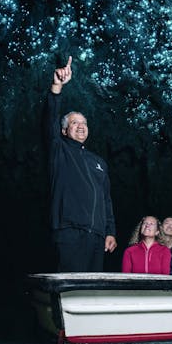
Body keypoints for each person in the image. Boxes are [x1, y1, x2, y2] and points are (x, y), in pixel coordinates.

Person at [43, 56, 117, 272]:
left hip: (96, 236)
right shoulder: (59, 149)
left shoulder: (99, 162)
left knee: (91, 289)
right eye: (74, 123)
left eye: (84, 123)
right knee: (70, 286)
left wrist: (109, 231)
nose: (81, 126)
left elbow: (106, 200)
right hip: (69, 232)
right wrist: (57, 86)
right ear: (64, 130)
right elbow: (49, 121)